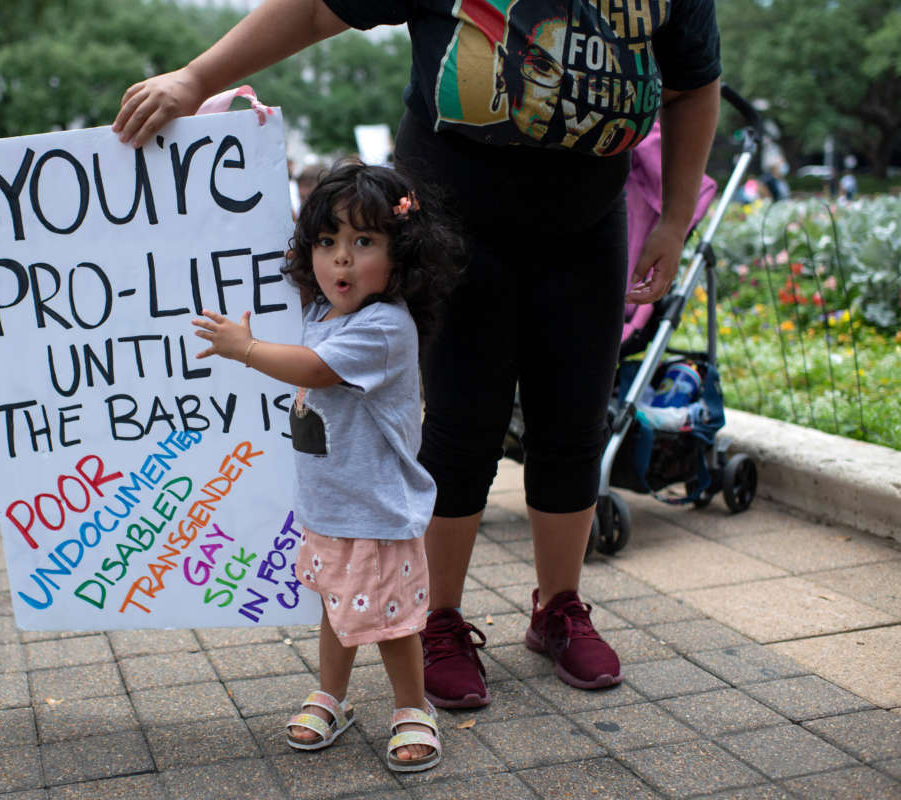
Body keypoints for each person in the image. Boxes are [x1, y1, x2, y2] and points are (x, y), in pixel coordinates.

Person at [115, 0, 721, 706]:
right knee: (461, 425)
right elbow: (316, 12)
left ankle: (559, 608)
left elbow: (693, 81)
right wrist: (194, 78)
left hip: (588, 221)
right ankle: (438, 621)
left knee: (575, 420)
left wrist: (676, 219)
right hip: (452, 218)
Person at [191, 162, 463, 772]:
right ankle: (331, 696)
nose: (341, 260)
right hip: (330, 506)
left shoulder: (384, 327)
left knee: (392, 622)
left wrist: (248, 349)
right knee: (337, 607)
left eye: (363, 242)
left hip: (378, 509)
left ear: (402, 255)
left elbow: (315, 370)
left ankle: (412, 707)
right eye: (327, 242)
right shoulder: (322, 314)